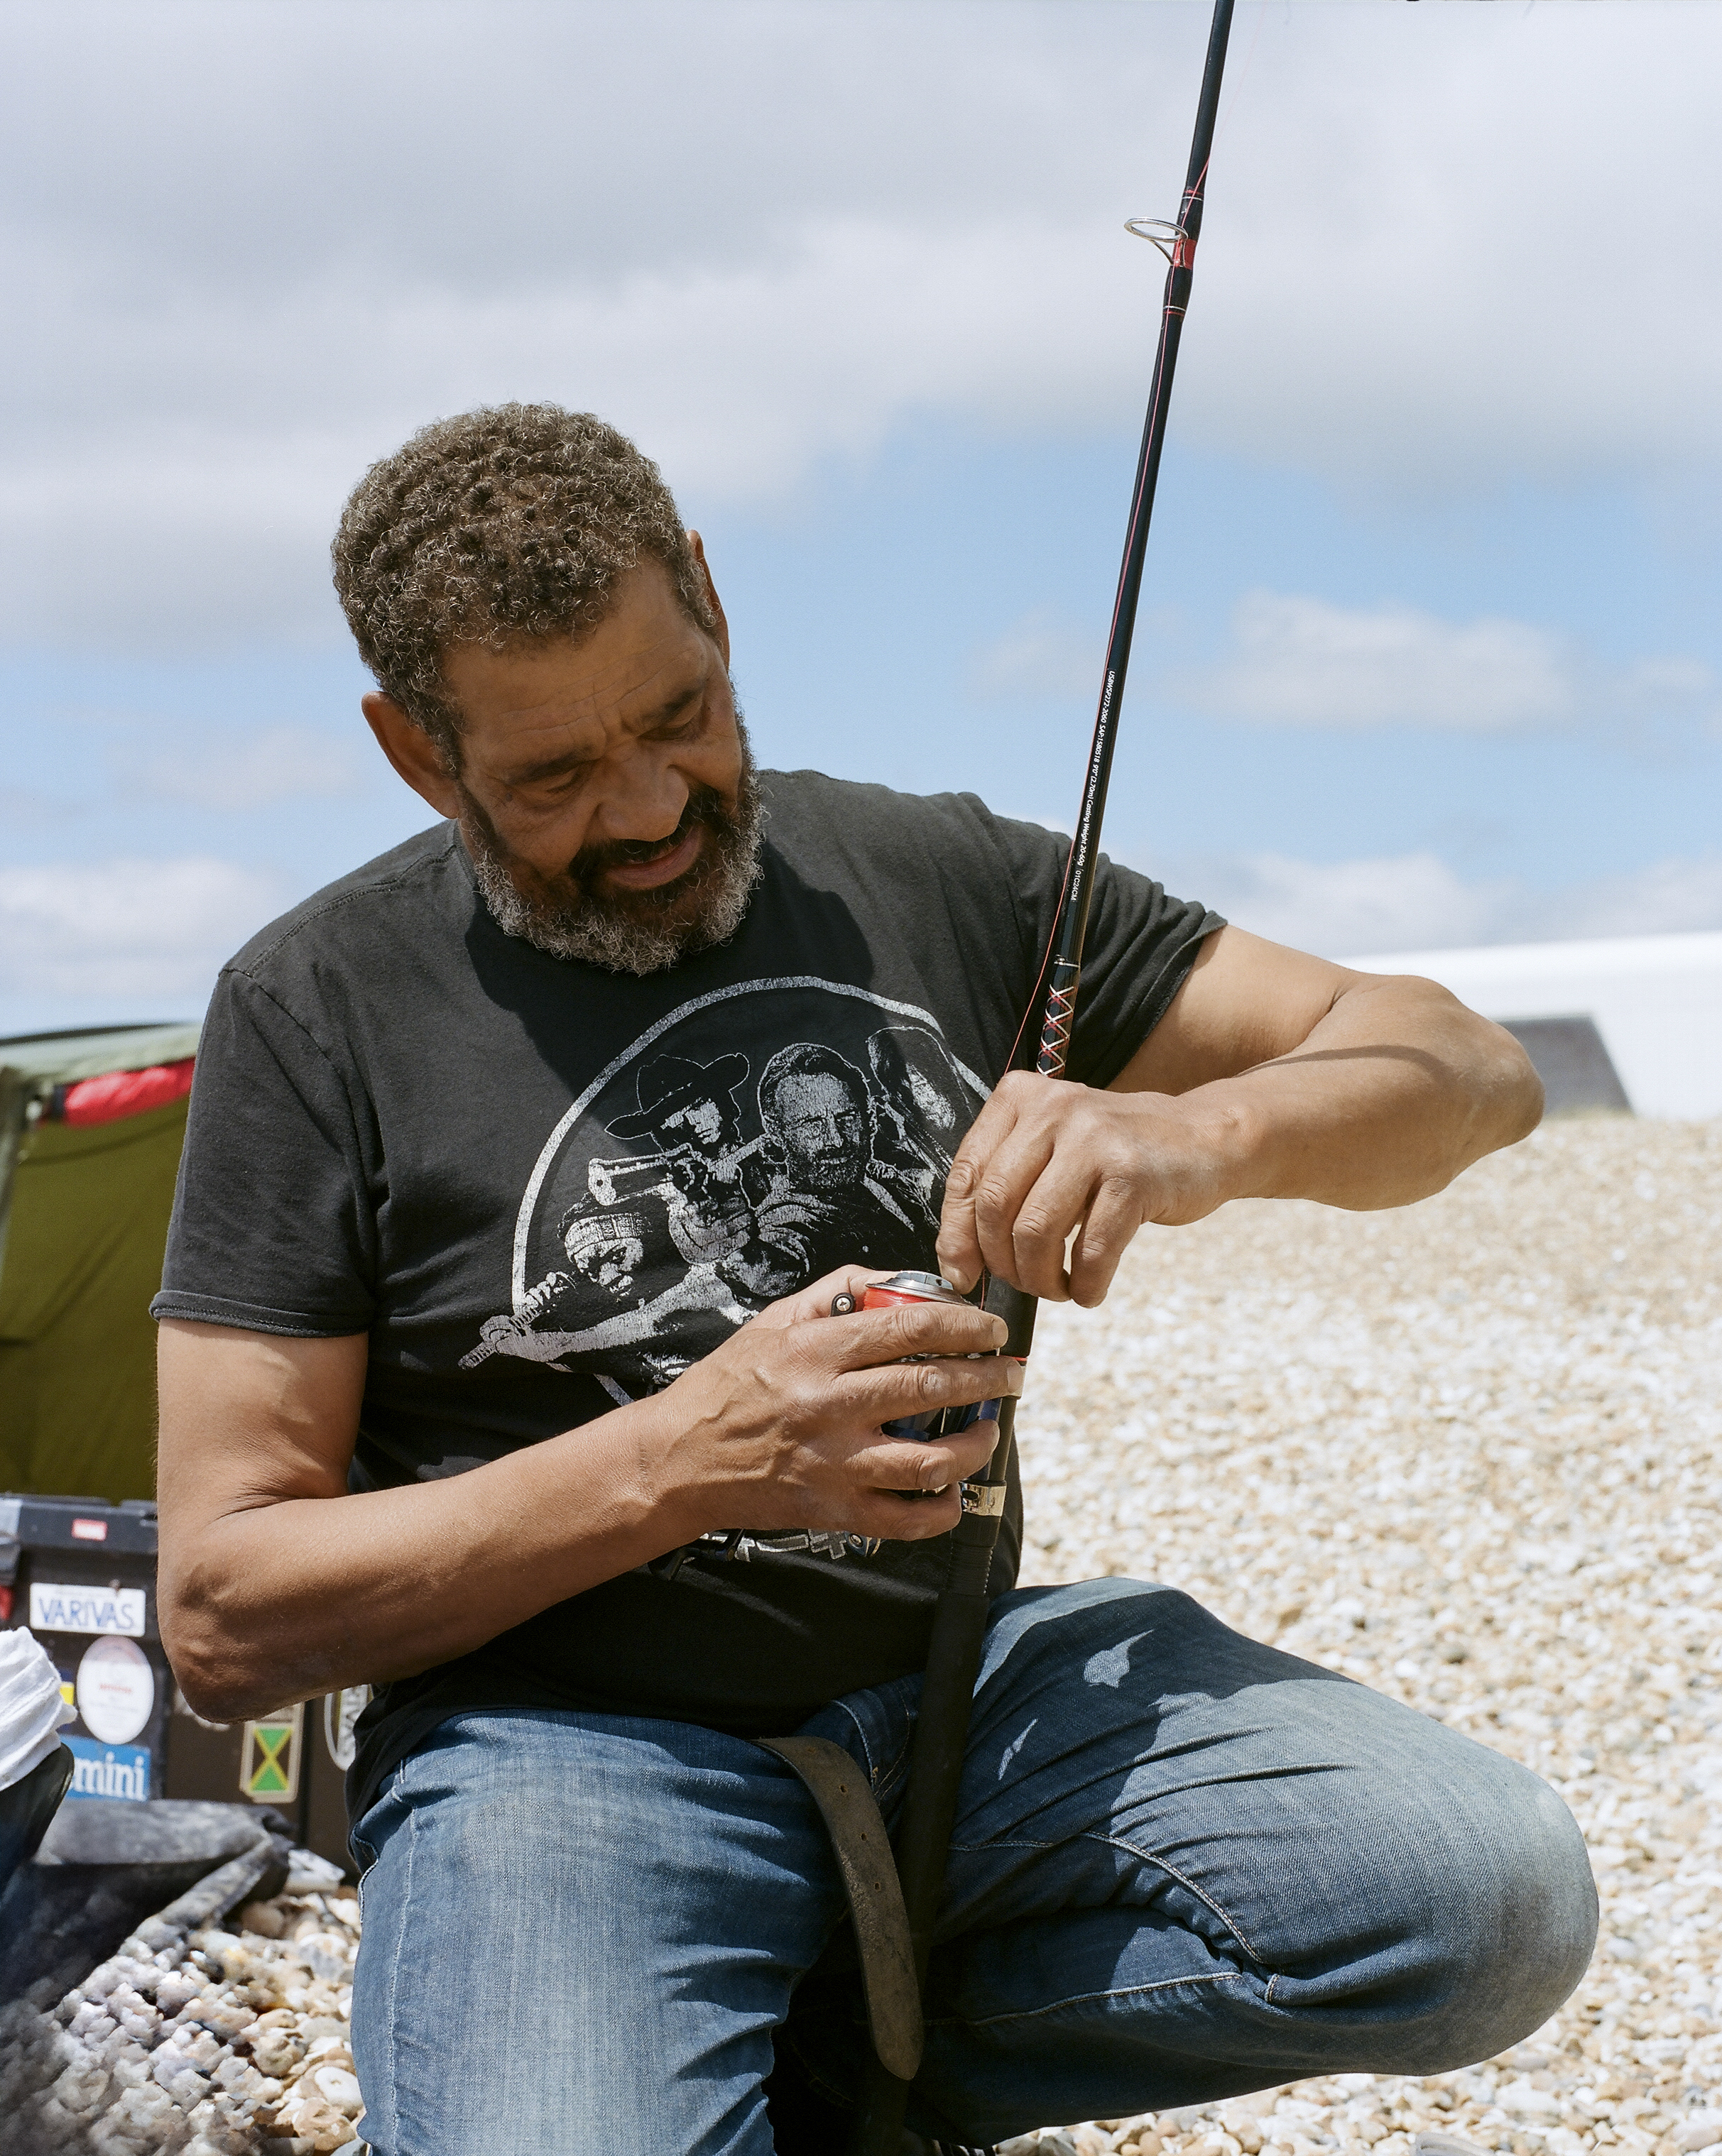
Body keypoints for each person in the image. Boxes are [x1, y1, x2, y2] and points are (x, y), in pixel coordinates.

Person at [153, 405, 1596, 2156]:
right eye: (550, 780)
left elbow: (1461, 1065)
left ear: (712, 598)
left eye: (679, 718)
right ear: (412, 751)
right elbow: (225, 1611)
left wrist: (1196, 1133)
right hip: (563, 1755)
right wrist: (683, 1458)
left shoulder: (940, 873)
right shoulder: (313, 1008)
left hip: (971, 1700)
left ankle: (810, 2061)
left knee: (1486, 1898)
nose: (649, 808)